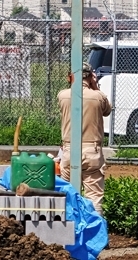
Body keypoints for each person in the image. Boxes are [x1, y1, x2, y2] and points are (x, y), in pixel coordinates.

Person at [57, 62, 112, 212]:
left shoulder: (62, 95)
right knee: (94, 194)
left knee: (66, 193)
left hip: (69, 149)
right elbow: (107, 110)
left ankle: (68, 227)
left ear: (71, 76)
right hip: (91, 151)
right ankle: (93, 231)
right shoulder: (98, 97)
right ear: (90, 77)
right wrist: (95, 87)